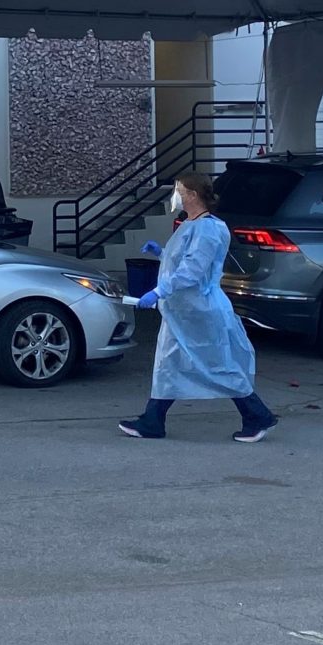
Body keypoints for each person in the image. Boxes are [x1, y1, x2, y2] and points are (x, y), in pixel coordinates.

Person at [120, 172, 279, 443]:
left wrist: (158, 291)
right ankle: (153, 420)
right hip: (181, 311)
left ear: (193, 195)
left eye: (180, 190)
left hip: (200, 311)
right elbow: (185, 260)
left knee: (217, 364)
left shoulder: (208, 229)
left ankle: (257, 415)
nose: (176, 196)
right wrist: (161, 253)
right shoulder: (190, 224)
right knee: (168, 364)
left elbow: (193, 270)